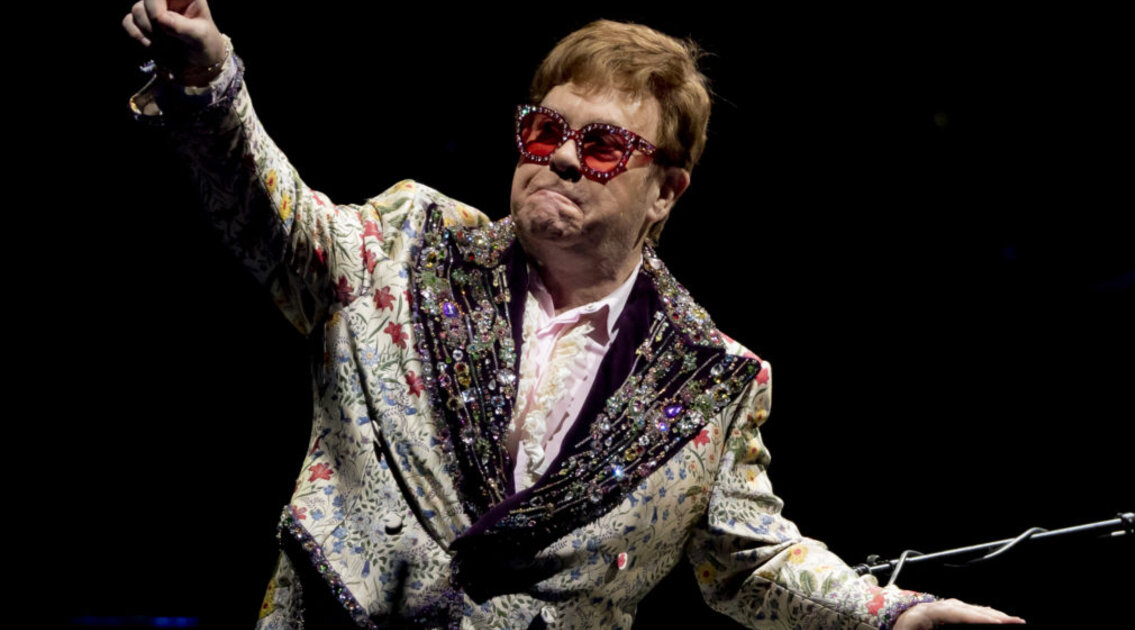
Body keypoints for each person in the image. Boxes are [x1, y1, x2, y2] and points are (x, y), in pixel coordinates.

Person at [124, 2, 1026, 629]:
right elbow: (270, 214)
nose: (559, 159)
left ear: (666, 190)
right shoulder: (407, 241)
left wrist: (893, 617)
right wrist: (210, 84)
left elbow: (753, 561)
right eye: (545, 131)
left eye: (600, 147)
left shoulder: (710, 381)